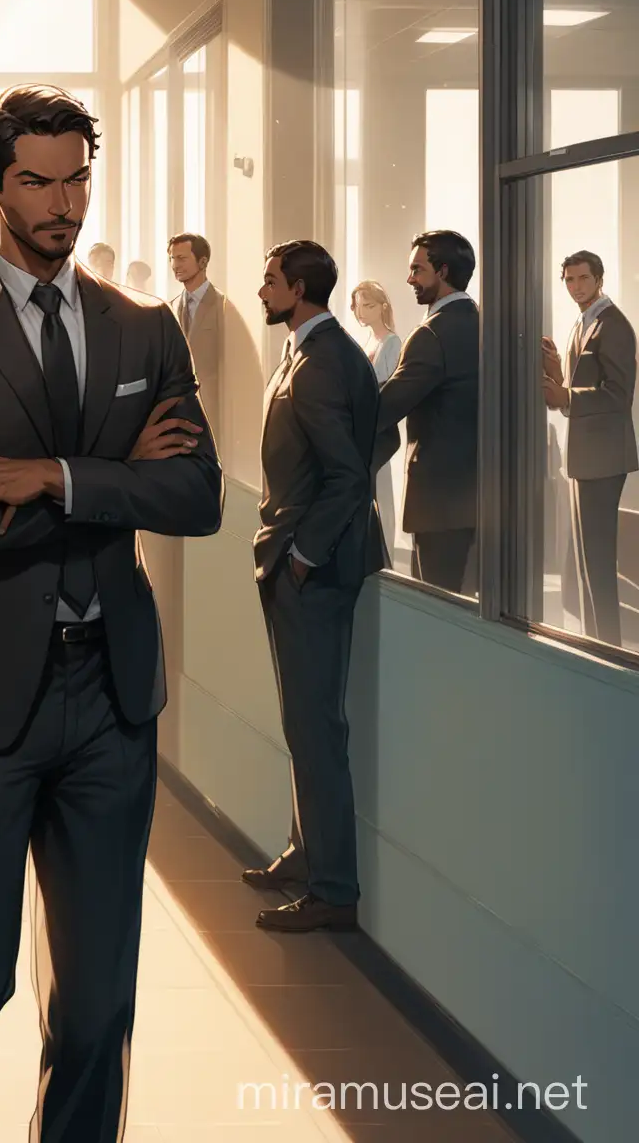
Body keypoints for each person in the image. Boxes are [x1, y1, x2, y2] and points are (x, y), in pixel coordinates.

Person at [0, 86, 223, 1141]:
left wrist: (57, 478)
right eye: (38, 180)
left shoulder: (143, 328)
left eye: (77, 178)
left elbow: (197, 496)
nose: (64, 202)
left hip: (112, 691)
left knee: (99, 1006)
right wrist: (115, 477)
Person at [248, 240, 385, 933]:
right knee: (303, 722)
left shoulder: (325, 358)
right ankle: (306, 854)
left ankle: (333, 890)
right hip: (300, 564)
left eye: (270, 280)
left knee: (317, 727)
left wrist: (302, 554)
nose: (262, 288)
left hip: (314, 570)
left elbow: (347, 475)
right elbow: (368, 445)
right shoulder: (311, 349)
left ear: (299, 288)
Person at [376, 230, 480, 595]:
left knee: (437, 615)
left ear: (444, 271)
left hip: (439, 506)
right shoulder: (486, 326)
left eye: (417, 270)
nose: (409, 279)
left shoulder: (431, 335)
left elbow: (384, 408)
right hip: (483, 501)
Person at [542, 249, 637, 647]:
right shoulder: (584, 323)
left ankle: (609, 649)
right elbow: (581, 385)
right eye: (569, 280)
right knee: (584, 563)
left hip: (603, 458)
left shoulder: (612, 325)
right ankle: (596, 644)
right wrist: (556, 373)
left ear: (599, 279)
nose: (576, 287)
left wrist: (565, 395)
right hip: (587, 457)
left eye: (583, 279)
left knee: (597, 563)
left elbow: (617, 396)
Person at [350, 279, 402, 547]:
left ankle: (385, 547)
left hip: (380, 426)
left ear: (382, 307)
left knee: (381, 486)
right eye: (359, 307)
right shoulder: (368, 339)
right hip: (365, 423)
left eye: (368, 306)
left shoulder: (392, 341)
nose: (362, 312)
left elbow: (387, 381)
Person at [169, 232, 226, 435]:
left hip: (214, 413)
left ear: (202, 262)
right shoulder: (171, 307)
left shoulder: (223, 306)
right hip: (178, 416)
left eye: (182, 258)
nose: (175, 265)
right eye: (172, 259)